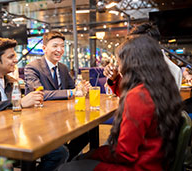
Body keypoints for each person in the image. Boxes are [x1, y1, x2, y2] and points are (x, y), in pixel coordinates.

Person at [58, 35, 183, 171]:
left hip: (140, 166)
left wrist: (94, 152)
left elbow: (125, 154)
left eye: (119, 62)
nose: (118, 66)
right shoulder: (160, 87)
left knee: (69, 166)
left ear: (132, 63)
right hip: (156, 160)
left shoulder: (138, 97)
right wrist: (115, 79)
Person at [0, 37, 68, 171]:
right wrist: (19, 103)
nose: (16, 60)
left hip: (9, 133)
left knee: (59, 152)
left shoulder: (11, 81)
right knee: (4, 167)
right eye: (11, 57)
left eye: (15, 55)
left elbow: (15, 112)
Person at [24, 31, 91, 161]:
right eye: (55, 46)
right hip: (41, 120)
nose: (59, 50)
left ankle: (63, 164)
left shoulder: (63, 68)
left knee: (85, 135)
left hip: (62, 116)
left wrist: (82, 88)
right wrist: (72, 92)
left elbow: (74, 88)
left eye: (62, 46)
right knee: (60, 149)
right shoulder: (32, 67)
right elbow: (39, 94)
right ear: (44, 48)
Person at [104, 23, 183, 96]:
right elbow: (126, 93)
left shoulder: (170, 70)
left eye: (134, 44)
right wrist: (114, 78)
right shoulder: (141, 64)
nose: (130, 49)